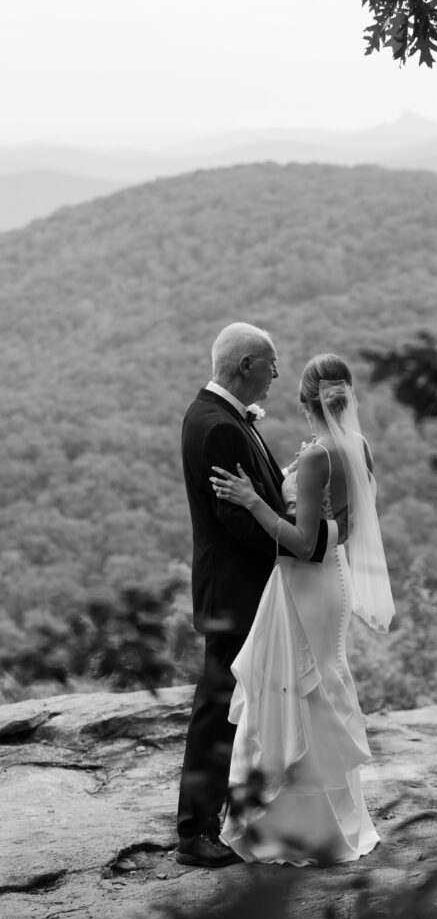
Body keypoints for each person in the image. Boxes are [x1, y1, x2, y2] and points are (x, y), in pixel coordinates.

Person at [210, 353, 395, 865]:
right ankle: (333, 822)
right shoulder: (358, 447)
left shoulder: (317, 458)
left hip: (303, 583)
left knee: (293, 687)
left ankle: (294, 830)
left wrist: (252, 500)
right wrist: (321, 531)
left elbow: (298, 541)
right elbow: (350, 530)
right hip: (332, 582)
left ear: (304, 402)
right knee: (319, 683)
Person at [176, 323, 339, 868]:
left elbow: (253, 503)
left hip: (241, 588)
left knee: (231, 705)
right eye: (270, 363)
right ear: (245, 364)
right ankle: (195, 831)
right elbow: (236, 521)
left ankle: (219, 817)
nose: (275, 372)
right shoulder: (218, 426)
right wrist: (299, 543)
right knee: (219, 707)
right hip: (236, 592)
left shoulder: (218, 417)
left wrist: (282, 508)